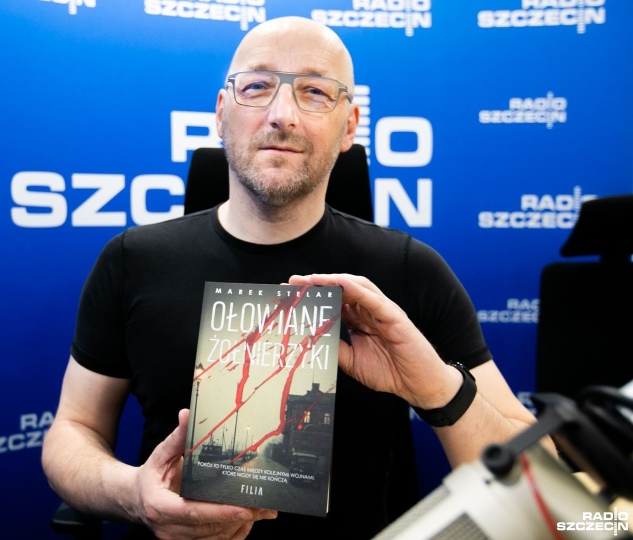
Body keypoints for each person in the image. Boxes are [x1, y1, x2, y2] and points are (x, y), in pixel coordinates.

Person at [42, 16, 546, 540]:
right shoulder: (132, 260)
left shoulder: (409, 271)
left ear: (349, 126)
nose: (282, 115)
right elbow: (73, 430)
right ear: (221, 113)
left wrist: (435, 386)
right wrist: (131, 494)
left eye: (315, 92)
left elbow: (537, 480)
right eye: (257, 87)